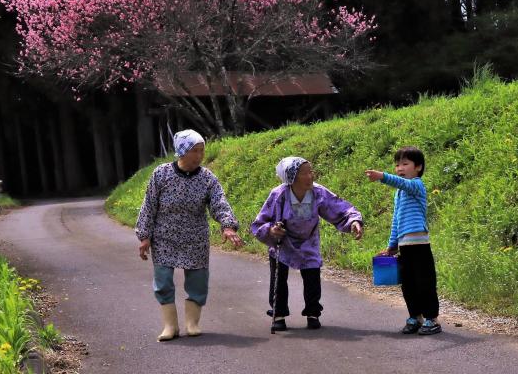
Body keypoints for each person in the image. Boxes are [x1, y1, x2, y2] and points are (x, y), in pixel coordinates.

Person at [135, 129, 243, 341]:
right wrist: (145, 236)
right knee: (163, 279)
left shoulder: (207, 178)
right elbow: (149, 206)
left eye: (202, 150)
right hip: (164, 236)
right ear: (182, 151)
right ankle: (170, 326)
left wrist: (227, 226)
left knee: (198, 281)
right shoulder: (161, 174)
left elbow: (219, 203)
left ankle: (192, 323)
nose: (200, 155)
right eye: (195, 150)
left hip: (195, 236)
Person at [251, 156, 363, 331]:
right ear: (292, 177)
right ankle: (278, 315)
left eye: (311, 171)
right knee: (279, 278)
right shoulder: (279, 194)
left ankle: (313, 313)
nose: (311, 176)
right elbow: (260, 222)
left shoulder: (318, 192)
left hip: (308, 240)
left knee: (312, 275)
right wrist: (272, 230)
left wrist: (354, 222)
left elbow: (339, 208)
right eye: (306, 173)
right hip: (284, 241)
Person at [365, 146, 441, 335]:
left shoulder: (416, 185)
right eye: (397, 164)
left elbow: (402, 183)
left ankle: (432, 319)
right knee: (408, 284)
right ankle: (415, 316)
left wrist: (383, 176)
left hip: (420, 245)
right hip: (405, 247)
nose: (400, 168)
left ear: (418, 167)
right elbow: (396, 220)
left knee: (425, 282)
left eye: (405, 164)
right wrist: (392, 245)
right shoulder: (398, 194)